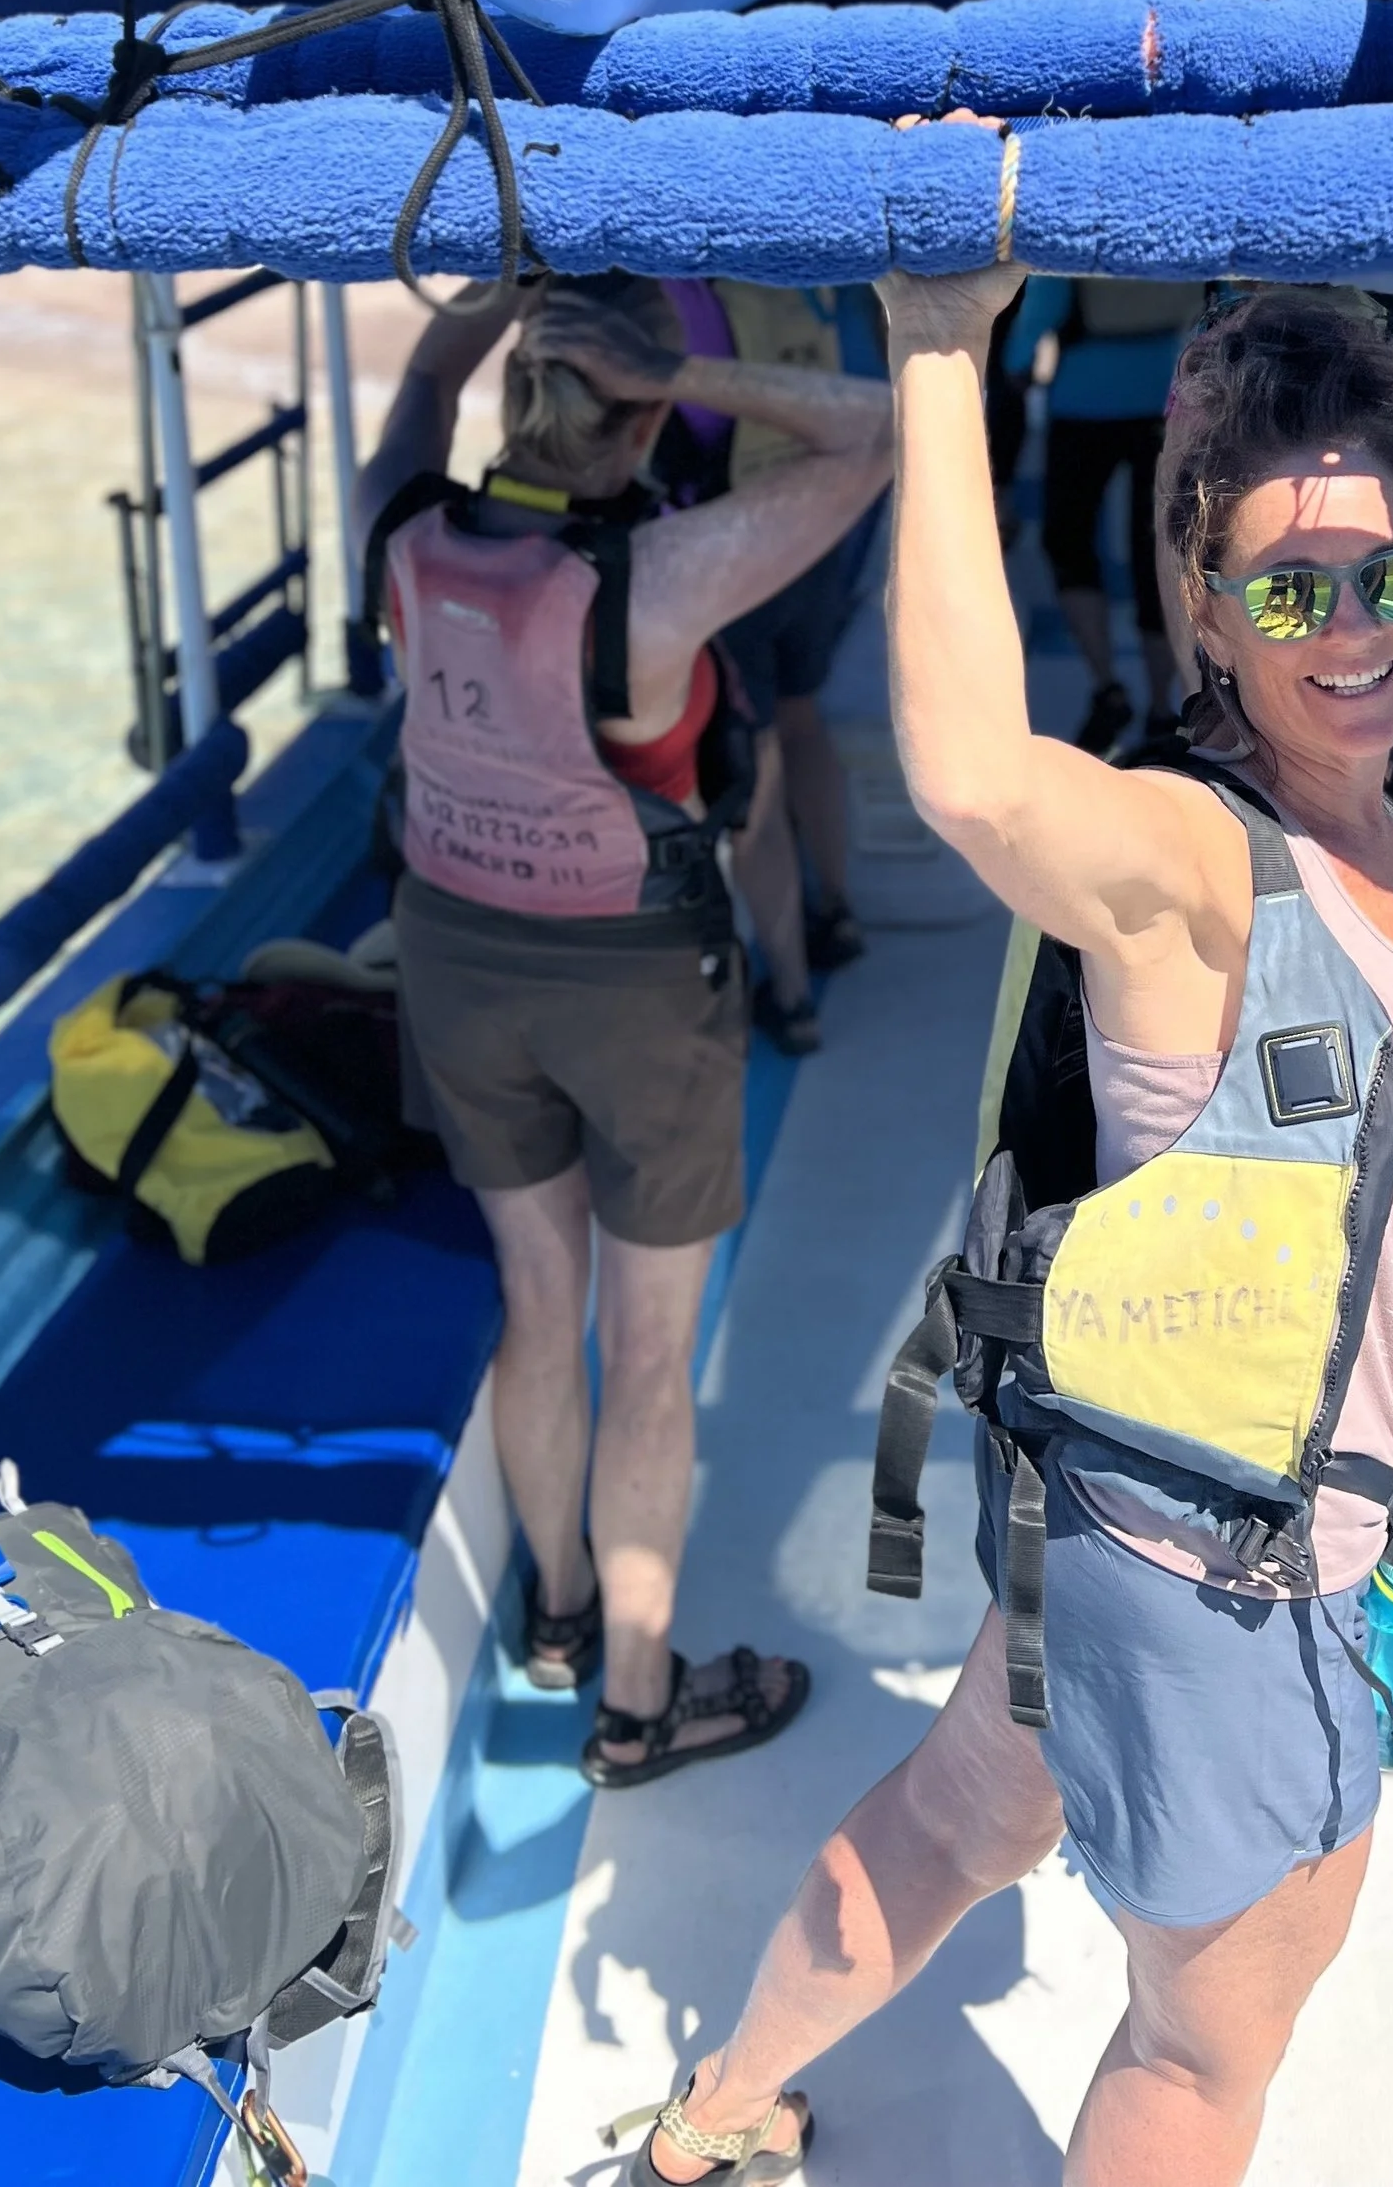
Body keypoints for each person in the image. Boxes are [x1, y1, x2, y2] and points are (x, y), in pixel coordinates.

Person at [611, 271, 1393, 2187]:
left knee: (958, 1813)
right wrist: (938, 341)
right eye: (1288, 588)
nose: (1351, 626)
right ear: (1205, 602)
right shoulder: (1204, 863)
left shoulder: (1379, 824)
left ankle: (709, 2117)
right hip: (1238, 1592)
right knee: (1200, 2060)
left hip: (1108, 1529)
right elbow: (969, 774)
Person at [357, 271, 892, 1783]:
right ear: (641, 416)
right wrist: (697, 376)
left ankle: (557, 1617)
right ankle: (641, 1702)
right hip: (635, 980)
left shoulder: (404, 534)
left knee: (541, 1301)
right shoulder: (652, 581)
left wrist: (489, 306)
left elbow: (414, 397)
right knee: (645, 1355)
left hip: (456, 953)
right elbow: (882, 440)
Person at [661, 281, 881, 1055]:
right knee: (802, 714)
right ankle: (840, 908)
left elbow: (692, 419)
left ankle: (789, 993)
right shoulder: (804, 266)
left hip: (736, 544)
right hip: (816, 531)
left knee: (751, 766)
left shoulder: (678, 284)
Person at [1004, 277, 1202, 753]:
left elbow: (1044, 305)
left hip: (1080, 400)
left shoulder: (1075, 221)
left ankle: (1107, 687)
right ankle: (1162, 708)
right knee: (1158, 554)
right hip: (1164, 395)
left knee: (1068, 541)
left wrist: (1015, 360)